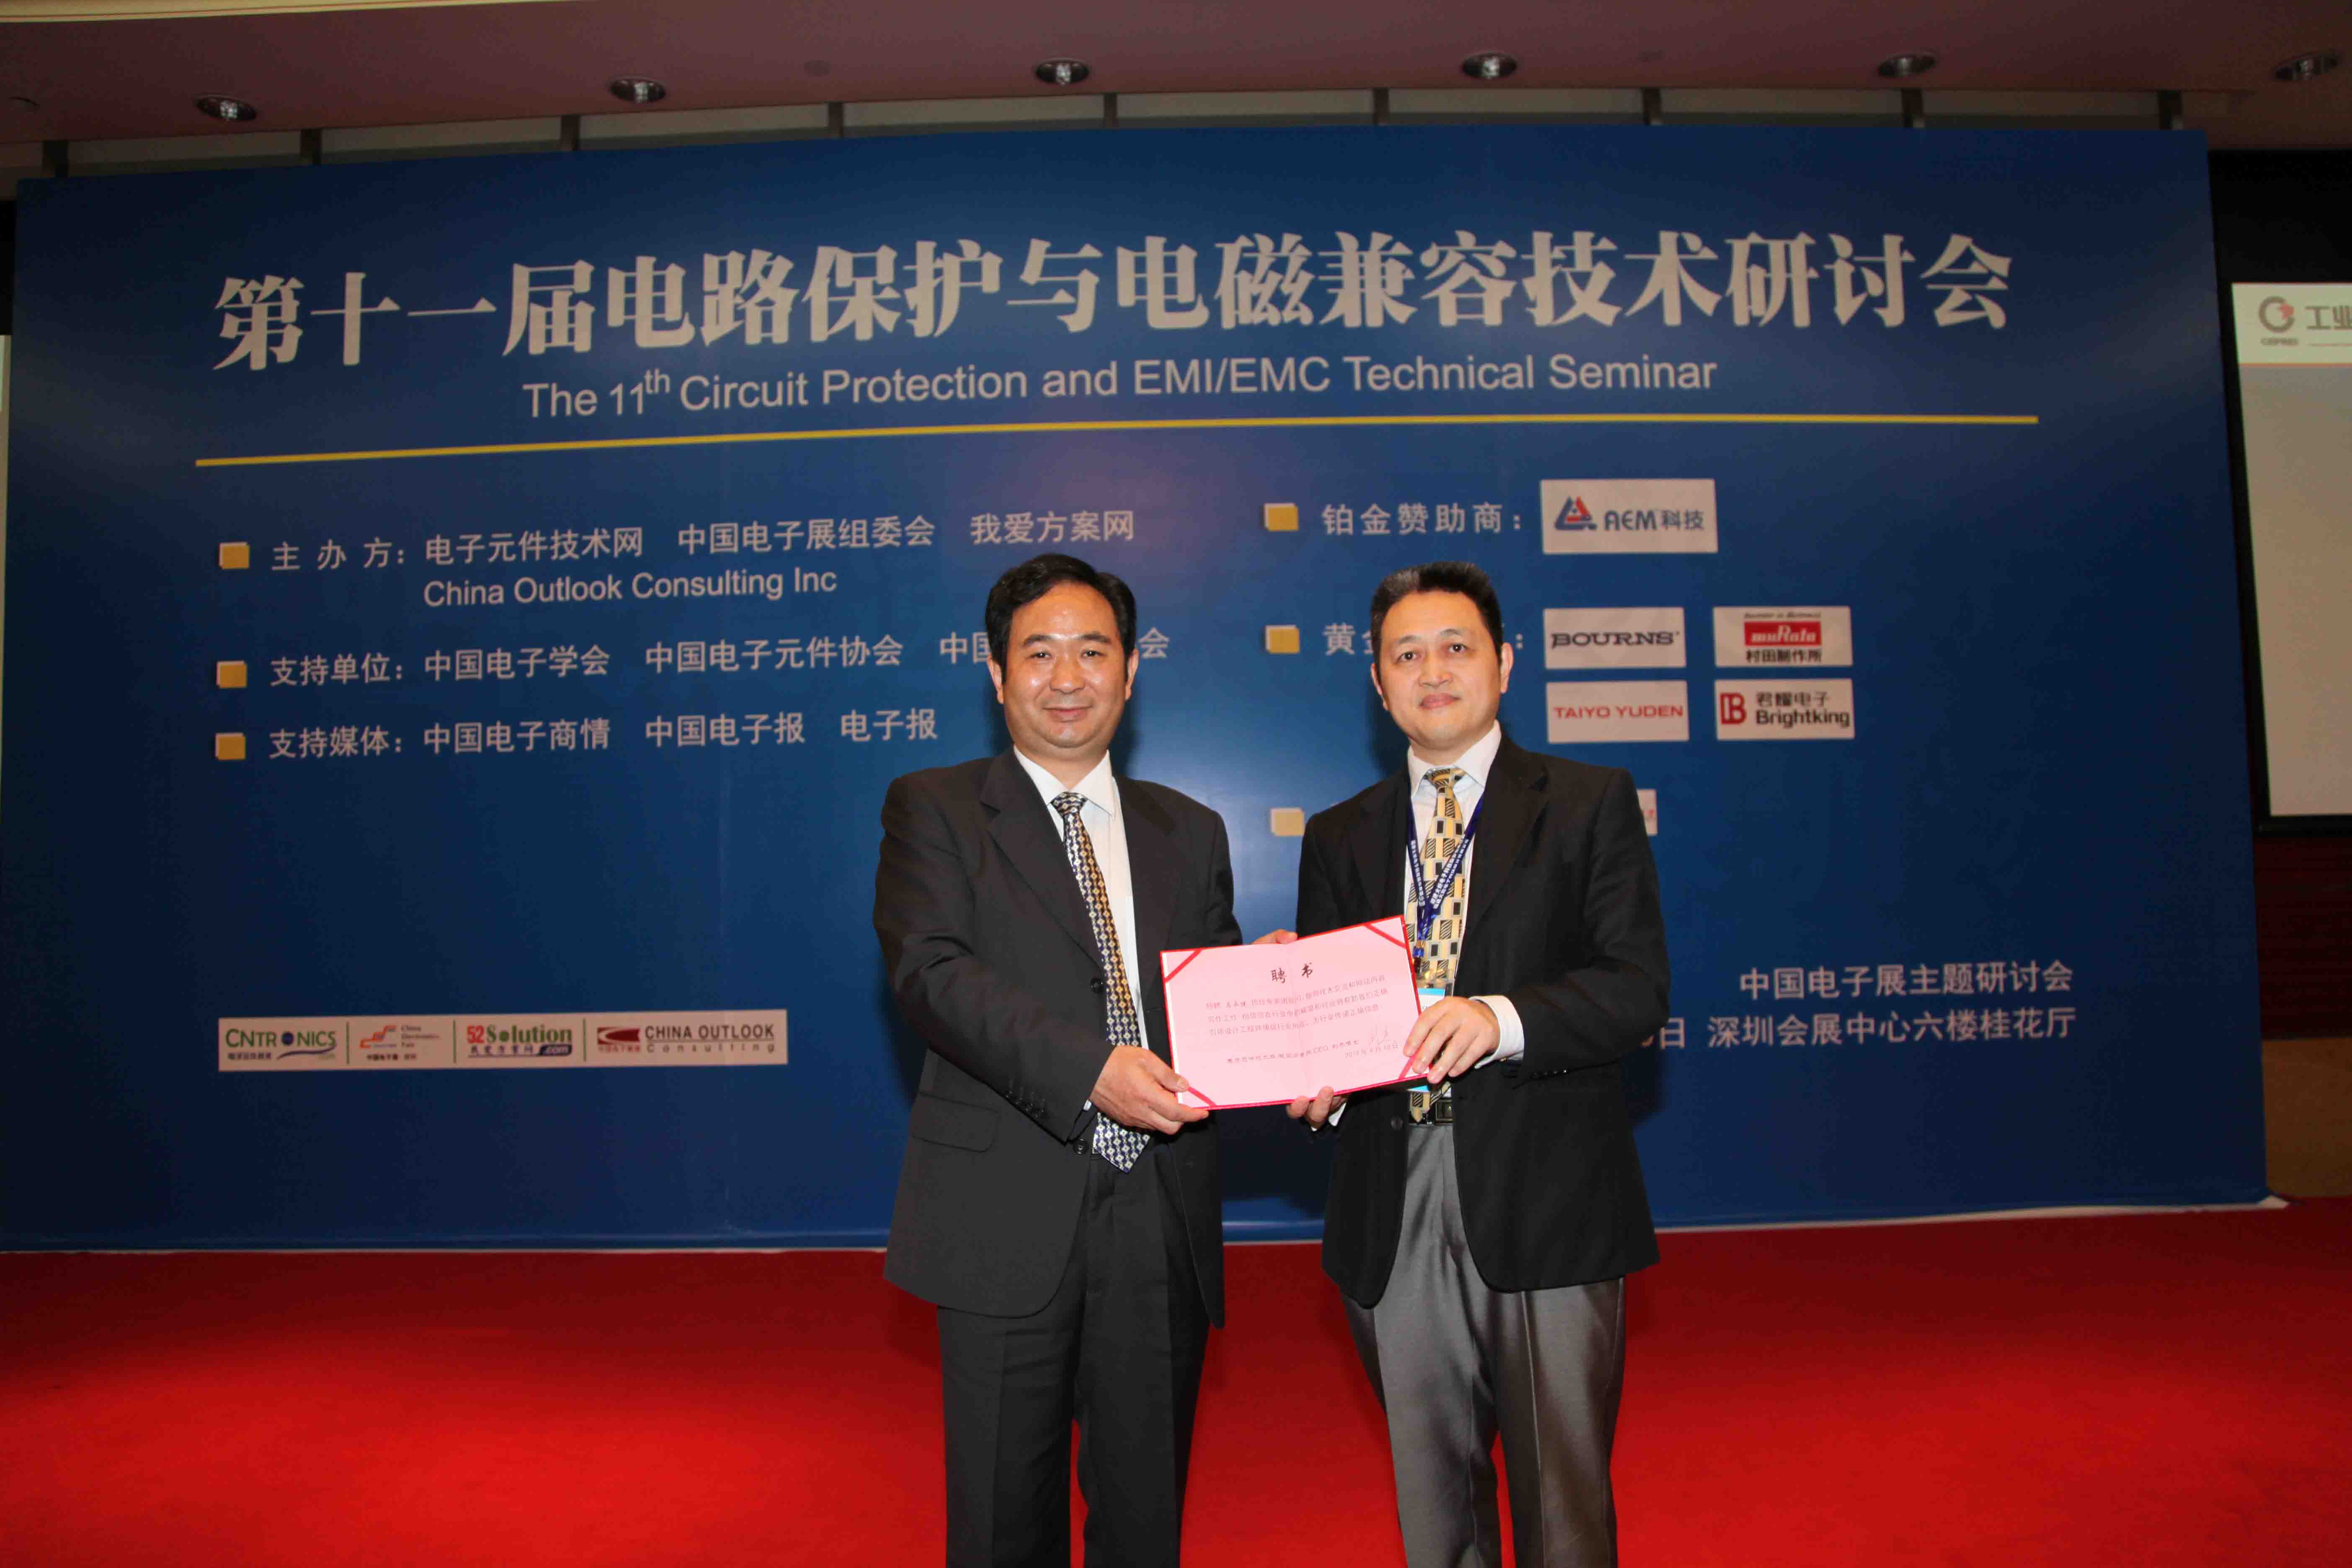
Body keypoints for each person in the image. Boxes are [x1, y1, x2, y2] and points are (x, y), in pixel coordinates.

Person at [875, 552, 1284, 1568]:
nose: (1068, 678)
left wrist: (1276, 1002)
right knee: (1002, 1521)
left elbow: (1205, 1005)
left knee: (1145, 1519)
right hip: (1004, 1209)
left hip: (1159, 1211)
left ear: (1131, 672)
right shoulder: (934, 808)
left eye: (1094, 652)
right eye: (1040, 653)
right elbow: (932, 974)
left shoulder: (1190, 830)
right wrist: (1092, 1068)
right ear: (996, 671)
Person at [1288, 560, 1669, 1568]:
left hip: (1548, 1190)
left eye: (1456, 647)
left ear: (1503, 664)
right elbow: (1335, 1014)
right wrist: (1308, 1057)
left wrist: (1498, 1019)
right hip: (1390, 1193)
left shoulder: (1587, 802)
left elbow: (1636, 989)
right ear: (1378, 684)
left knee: (1562, 1506)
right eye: (1405, 655)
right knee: (1435, 1504)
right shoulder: (1341, 834)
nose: (1433, 671)